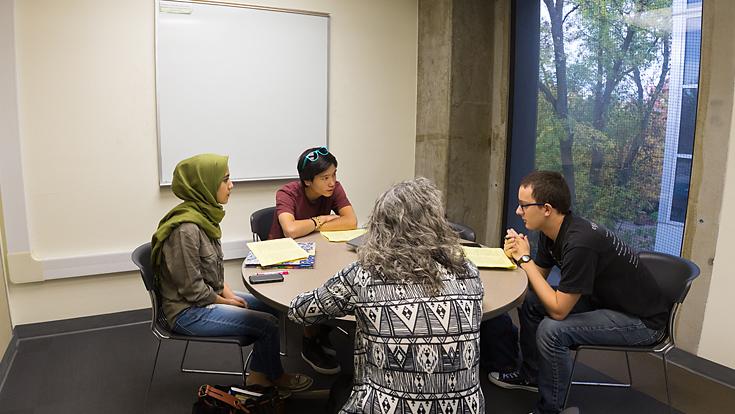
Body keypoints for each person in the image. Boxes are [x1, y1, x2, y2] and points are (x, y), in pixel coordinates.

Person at [289, 177, 485, 414]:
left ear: (380, 226)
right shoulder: (468, 271)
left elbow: (300, 312)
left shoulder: (365, 275)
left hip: (385, 408)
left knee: (342, 389)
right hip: (464, 409)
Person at [488, 171, 670, 414]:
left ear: (547, 209)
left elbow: (559, 310)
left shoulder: (580, 242)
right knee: (531, 303)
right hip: (603, 301)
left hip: (642, 322)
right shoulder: (550, 233)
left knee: (552, 331)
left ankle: (550, 409)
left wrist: (525, 260)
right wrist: (520, 260)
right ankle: (532, 376)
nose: (518, 212)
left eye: (523, 206)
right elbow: (536, 285)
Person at [151, 153, 312, 392]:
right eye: (225, 179)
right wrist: (227, 301)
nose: (231, 185)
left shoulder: (204, 215)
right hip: (187, 312)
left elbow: (213, 275)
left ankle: (258, 374)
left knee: (270, 307)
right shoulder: (186, 229)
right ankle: (276, 376)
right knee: (267, 324)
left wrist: (227, 295)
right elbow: (192, 290)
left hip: (205, 298)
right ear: (204, 184)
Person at [268, 146, 358, 375]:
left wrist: (308, 225)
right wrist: (321, 220)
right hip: (284, 256)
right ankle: (309, 341)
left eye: (334, 175)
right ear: (307, 181)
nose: (332, 182)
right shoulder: (287, 193)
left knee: (335, 275)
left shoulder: (333, 189)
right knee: (311, 285)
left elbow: (351, 222)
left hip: (319, 250)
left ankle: (321, 331)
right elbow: (290, 229)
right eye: (325, 177)